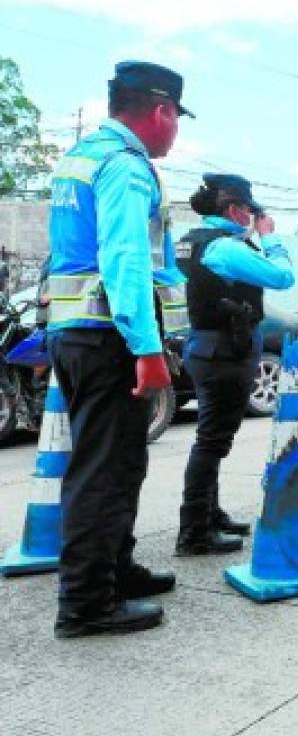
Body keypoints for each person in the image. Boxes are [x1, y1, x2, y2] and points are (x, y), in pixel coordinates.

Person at [46, 60, 191, 638]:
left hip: (75, 333)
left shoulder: (80, 157)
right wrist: (147, 347)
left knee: (116, 460)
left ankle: (114, 571)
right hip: (108, 336)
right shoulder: (125, 167)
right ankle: (85, 604)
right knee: (105, 469)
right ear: (160, 111)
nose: (176, 129)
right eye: (176, 117)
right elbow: (125, 258)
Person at [174, 174, 294, 555]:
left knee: (212, 438)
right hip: (225, 352)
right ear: (232, 209)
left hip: (206, 346)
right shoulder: (225, 249)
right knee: (212, 441)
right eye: (249, 209)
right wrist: (270, 238)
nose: (252, 216)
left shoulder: (192, 242)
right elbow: (282, 277)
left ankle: (209, 514)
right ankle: (194, 532)